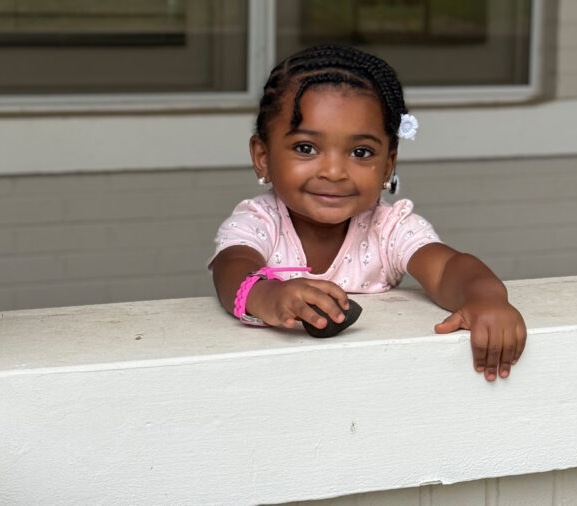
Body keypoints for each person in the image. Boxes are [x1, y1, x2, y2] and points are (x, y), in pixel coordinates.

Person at [209, 45, 526, 381]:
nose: (334, 171)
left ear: (388, 165)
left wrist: (484, 297)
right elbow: (231, 270)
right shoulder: (260, 221)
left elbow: (448, 267)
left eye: (361, 152)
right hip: (273, 383)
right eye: (306, 148)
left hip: (377, 383)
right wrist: (269, 295)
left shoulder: (388, 229)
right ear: (262, 156)